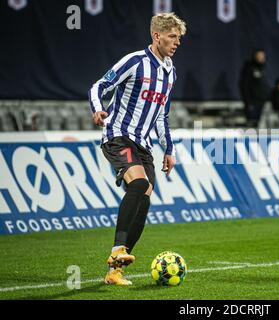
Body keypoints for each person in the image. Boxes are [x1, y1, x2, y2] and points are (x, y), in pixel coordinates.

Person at [88, 12, 186, 285]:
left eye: (178, 38)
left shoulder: (170, 72)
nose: (176, 42)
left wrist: (169, 150)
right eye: (172, 36)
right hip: (118, 135)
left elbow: (161, 116)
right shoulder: (135, 62)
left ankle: (115, 270)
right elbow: (99, 85)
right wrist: (98, 109)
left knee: (144, 200)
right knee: (139, 183)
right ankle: (118, 248)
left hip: (144, 144)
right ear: (157, 36)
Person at [239, 49, 269, 127]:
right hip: (252, 102)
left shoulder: (263, 68)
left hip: (261, 101)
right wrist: (248, 101)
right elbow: (244, 85)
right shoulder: (249, 68)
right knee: (251, 124)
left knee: (257, 124)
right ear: (255, 56)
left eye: (263, 56)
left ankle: (255, 138)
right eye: (259, 56)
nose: (261, 58)